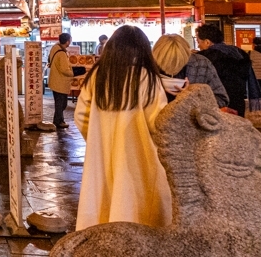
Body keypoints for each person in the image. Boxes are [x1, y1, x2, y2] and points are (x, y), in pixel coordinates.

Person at [74, 25, 172, 231]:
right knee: (136, 210)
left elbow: (81, 116)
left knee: (101, 205)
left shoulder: (97, 76)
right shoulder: (147, 78)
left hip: (102, 155)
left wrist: (96, 138)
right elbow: (159, 123)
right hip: (140, 157)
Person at [152, 34, 229, 109]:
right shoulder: (150, 66)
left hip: (192, 120)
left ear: (188, 56)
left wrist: (191, 97)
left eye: (179, 64)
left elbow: (222, 99)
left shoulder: (202, 64)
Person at [196, 23, 252, 117]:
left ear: (207, 42)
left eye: (199, 42)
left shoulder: (205, 58)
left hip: (217, 103)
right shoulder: (239, 53)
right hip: (237, 102)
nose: (198, 46)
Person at [48, 33, 75, 130]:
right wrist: (73, 73)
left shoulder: (55, 48)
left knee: (59, 102)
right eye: (70, 40)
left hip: (55, 80)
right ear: (67, 41)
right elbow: (64, 69)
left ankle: (60, 120)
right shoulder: (62, 53)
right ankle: (58, 121)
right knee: (62, 103)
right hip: (60, 81)